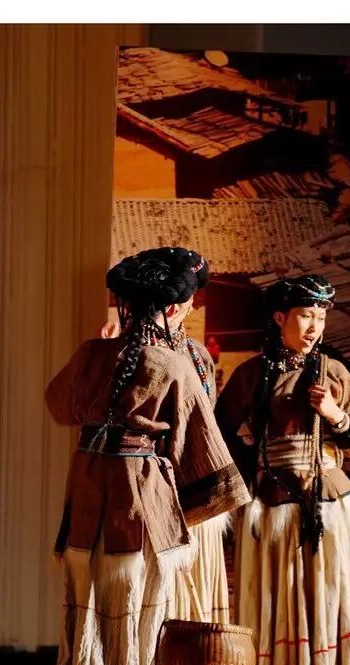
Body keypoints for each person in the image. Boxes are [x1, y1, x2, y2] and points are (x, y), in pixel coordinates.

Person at [40, 251, 250, 665]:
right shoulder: (174, 364)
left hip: (87, 492)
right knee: (139, 614)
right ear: (173, 308)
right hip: (139, 498)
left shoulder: (92, 352)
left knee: (87, 615)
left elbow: (57, 403)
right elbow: (202, 448)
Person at [215, 274, 350, 665]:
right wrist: (255, 469)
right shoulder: (251, 374)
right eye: (304, 316)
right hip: (275, 506)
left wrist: (335, 414)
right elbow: (220, 433)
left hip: (326, 505)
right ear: (280, 318)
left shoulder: (334, 372)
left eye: (320, 317)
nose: (314, 326)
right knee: (280, 605)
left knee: (330, 603)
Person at [101, 247, 230, 624]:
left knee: (181, 614)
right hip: (148, 493)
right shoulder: (122, 352)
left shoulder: (195, 356)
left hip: (182, 497)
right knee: (147, 608)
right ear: (176, 308)